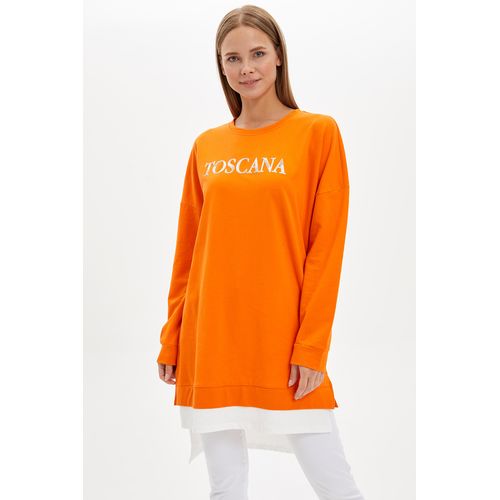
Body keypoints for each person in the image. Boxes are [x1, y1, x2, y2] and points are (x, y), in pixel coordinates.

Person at [157, 5, 366, 499]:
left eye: (257, 54)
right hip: (212, 338)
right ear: (221, 66)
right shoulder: (207, 145)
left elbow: (326, 248)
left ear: (278, 57)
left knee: (335, 482)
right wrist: (172, 337)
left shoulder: (317, 133)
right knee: (225, 487)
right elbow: (188, 249)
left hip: (282, 337)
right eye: (232, 58)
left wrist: (311, 346)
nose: (245, 68)